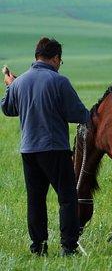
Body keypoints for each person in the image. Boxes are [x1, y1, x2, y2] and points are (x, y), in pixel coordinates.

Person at [1, 37, 90, 257]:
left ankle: (38, 247)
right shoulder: (59, 81)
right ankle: (68, 247)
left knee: (36, 200)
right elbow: (79, 114)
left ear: (36, 56)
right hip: (55, 149)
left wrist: (10, 87)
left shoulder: (20, 82)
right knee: (67, 198)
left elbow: (8, 109)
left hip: (28, 150)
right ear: (56, 58)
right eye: (60, 60)